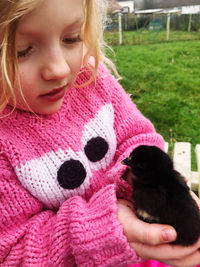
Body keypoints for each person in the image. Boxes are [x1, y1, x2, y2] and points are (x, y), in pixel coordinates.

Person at [0, 0, 200, 266]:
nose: (59, 69)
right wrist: (103, 229)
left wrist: (143, 179)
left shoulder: (91, 79)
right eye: (21, 51)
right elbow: (13, 252)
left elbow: (137, 136)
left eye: (71, 39)